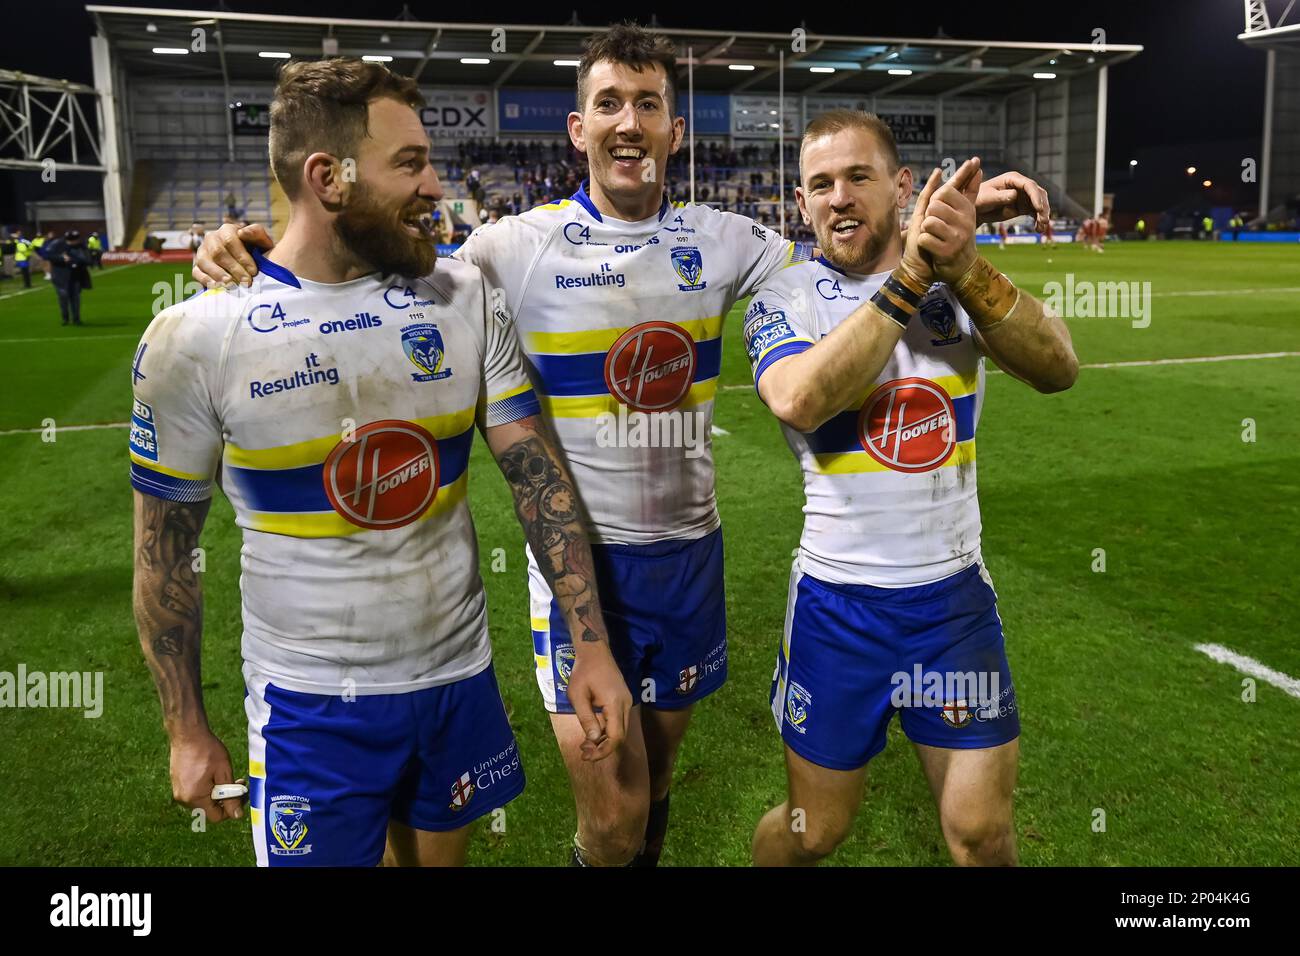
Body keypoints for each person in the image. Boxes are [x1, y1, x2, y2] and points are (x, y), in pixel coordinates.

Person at [191, 23, 1050, 869]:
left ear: (677, 130)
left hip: (687, 559)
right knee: (613, 814)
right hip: (580, 568)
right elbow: (378, 254)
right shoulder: (509, 249)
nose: (629, 122)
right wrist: (257, 248)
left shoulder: (734, 242)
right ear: (579, 128)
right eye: (608, 103)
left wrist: (959, 221)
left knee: (656, 781)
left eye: (648, 104)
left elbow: (851, 243)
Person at [132, 57, 629, 868]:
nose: (436, 185)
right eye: (409, 165)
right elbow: (163, 562)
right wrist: (186, 727)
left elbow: (537, 480)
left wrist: (591, 644)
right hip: (310, 707)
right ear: (329, 178)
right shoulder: (196, 338)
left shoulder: (462, 296)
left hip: (455, 677)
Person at [744, 111, 1077, 867]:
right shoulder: (784, 300)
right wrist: (913, 273)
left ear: (900, 188)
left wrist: (960, 267)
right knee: (813, 831)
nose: (838, 198)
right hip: (838, 606)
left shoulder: (956, 280)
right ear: (801, 205)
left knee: (982, 836)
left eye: (857, 177)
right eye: (820, 185)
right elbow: (800, 398)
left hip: (952, 606)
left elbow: (1059, 366)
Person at [43, 230, 92, 325]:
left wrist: (76, 261)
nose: (73, 242)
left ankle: (76, 319)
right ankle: (65, 318)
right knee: (63, 296)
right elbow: (48, 255)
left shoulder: (81, 245)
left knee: (75, 297)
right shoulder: (57, 244)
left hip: (76, 275)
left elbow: (87, 259)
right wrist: (62, 258)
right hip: (60, 276)